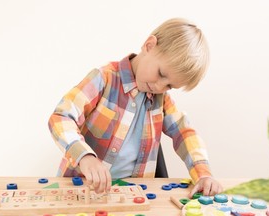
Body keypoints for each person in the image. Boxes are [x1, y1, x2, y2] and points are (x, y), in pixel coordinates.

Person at [48, 18, 223, 198]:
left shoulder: (161, 100)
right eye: (161, 74)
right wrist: (85, 157)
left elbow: (185, 133)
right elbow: (61, 117)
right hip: (82, 188)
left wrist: (204, 174)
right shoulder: (104, 78)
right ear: (149, 45)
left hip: (129, 195)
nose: (159, 87)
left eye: (169, 86)